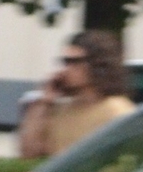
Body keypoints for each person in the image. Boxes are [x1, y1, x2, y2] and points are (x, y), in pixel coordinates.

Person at [17, 31, 135, 161]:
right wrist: (44, 102)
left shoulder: (116, 111)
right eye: (65, 62)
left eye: (74, 62)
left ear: (99, 64)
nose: (66, 69)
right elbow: (29, 152)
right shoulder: (62, 110)